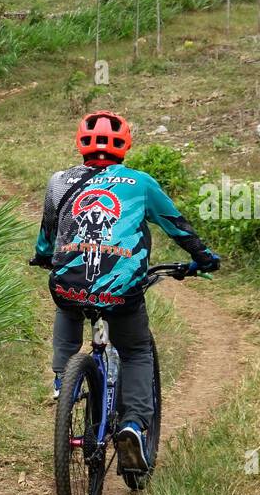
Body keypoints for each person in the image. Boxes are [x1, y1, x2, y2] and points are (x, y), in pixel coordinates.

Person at [30, 110, 220, 472]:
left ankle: (61, 377)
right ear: (125, 145)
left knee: (67, 297)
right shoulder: (141, 183)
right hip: (121, 291)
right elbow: (177, 227)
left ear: (80, 144)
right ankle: (133, 425)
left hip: (69, 284)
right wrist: (204, 258)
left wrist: (42, 258)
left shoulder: (58, 181)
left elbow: (47, 235)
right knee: (134, 350)